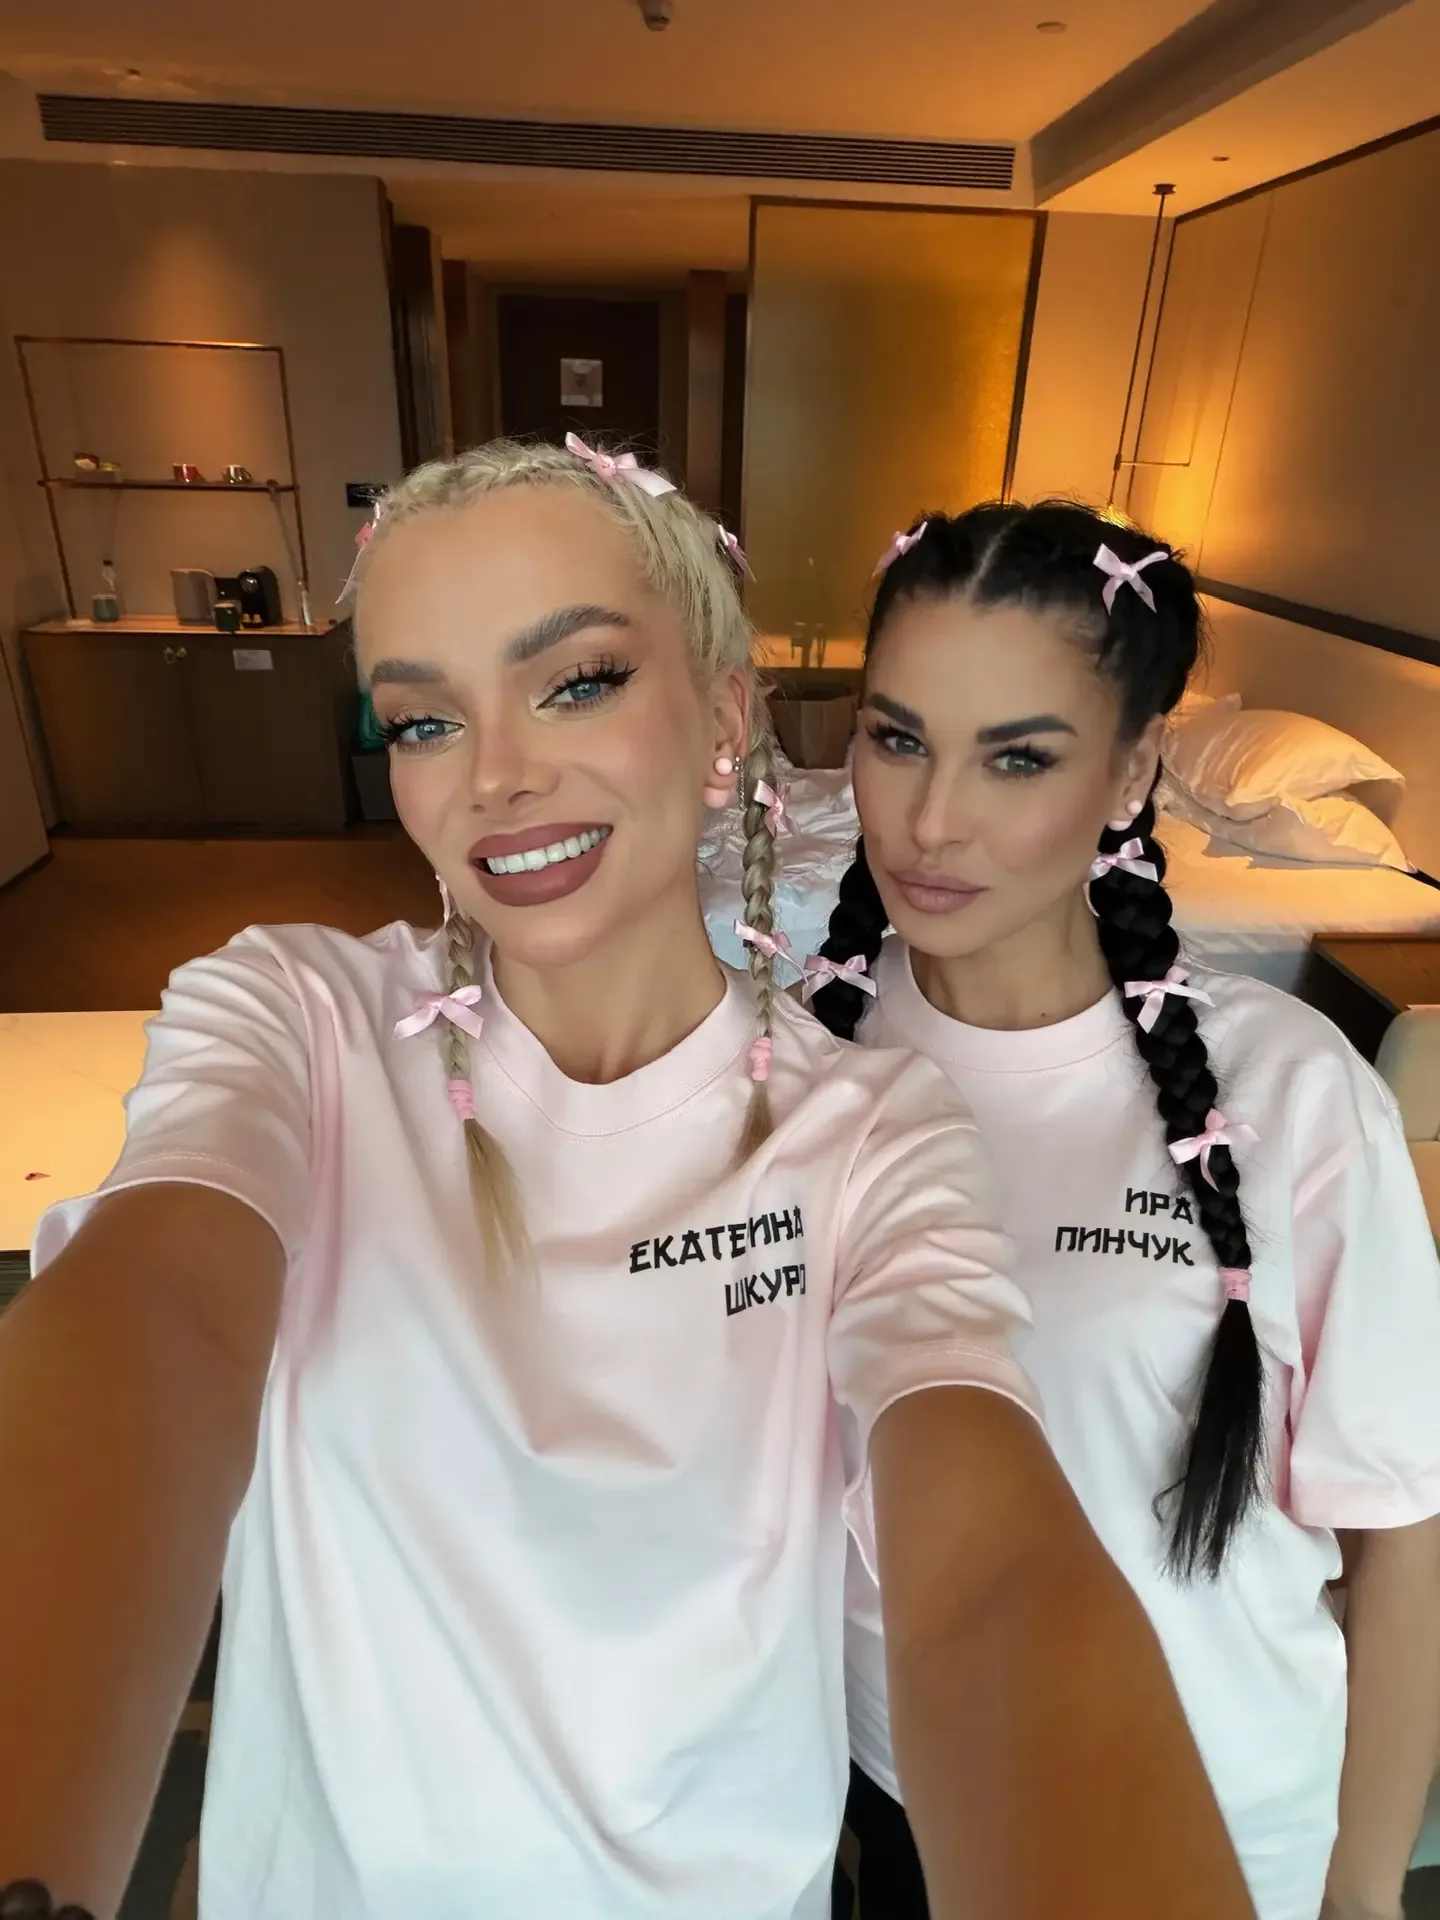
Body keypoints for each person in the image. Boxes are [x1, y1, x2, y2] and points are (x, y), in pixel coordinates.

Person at [0, 445, 1253, 1920]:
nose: (496, 776)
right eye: (423, 719)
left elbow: (985, 1564)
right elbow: (152, 1322)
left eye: (576, 682)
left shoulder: (870, 1129)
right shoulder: (298, 1017)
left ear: (725, 719)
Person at [809, 502, 1440, 1920]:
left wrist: (1360, 1893)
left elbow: (1405, 1524)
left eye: (1017, 756)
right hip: (898, 1787)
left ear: (1134, 768)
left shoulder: (1290, 1092)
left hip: (1204, 1818)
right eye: (897, 739)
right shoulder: (805, 1061)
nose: (931, 820)